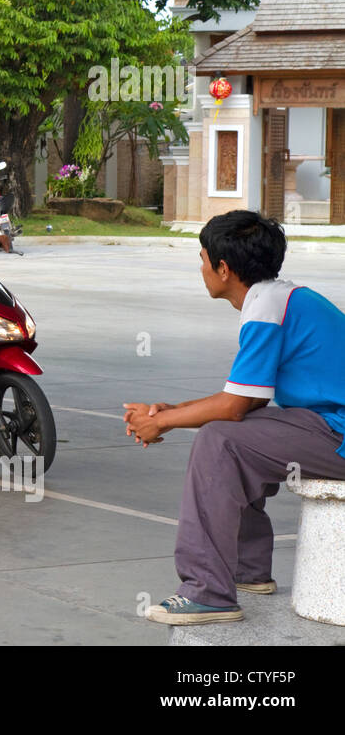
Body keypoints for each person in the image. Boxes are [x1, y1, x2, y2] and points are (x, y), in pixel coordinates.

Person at [125, 210, 345, 625]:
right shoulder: (277, 298)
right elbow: (249, 400)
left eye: (203, 259)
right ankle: (247, 570)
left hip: (338, 434)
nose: (202, 268)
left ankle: (208, 592)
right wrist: (177, 410)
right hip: (331, 426)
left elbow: (232, 408)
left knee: (220, 440)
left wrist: (162, 422)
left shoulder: (265, 306)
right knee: (230, 433)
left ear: (224, 268)